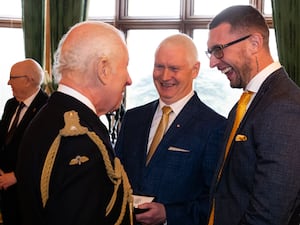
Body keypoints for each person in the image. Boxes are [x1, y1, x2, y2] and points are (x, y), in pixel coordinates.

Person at [16, 21, 134, 225]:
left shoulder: (50, 115)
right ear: (103, 69)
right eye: (125, 67)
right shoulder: (80, 140)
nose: (129, 79)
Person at [115, 33, 227, 225]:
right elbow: (115, 176)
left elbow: (217, 200)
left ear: (195, 70)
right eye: (159, 67)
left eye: (174, 68)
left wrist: (169, 214)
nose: (165, 76)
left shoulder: (214, 127)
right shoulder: (133, 118)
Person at [206, 5, 300, 225]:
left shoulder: (285, 106)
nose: (212, 63)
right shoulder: (245, 103)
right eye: (210, 53)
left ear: (254, 43)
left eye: (219, 50)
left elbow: (269, 214)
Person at [0, 58, 48, 225]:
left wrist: (17, 176)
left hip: (29, 192)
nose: (8, 82)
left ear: (28, 80)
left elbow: (46, 152)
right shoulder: (10, 104)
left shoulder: (47, 108)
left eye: (12, 78)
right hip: (6, 191)